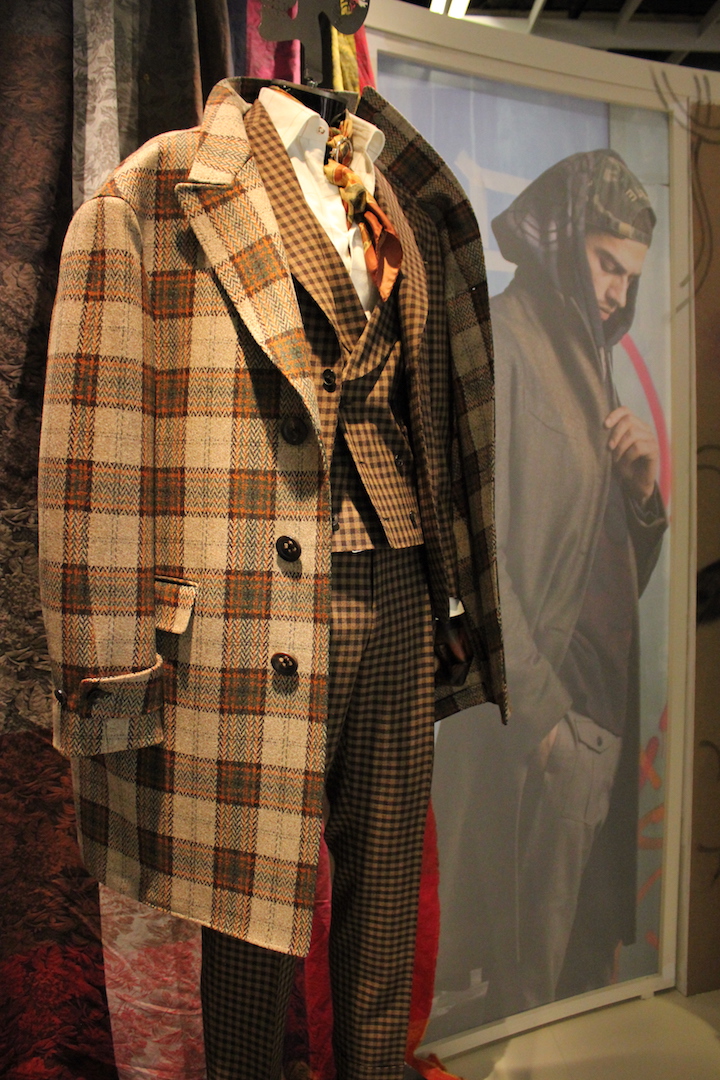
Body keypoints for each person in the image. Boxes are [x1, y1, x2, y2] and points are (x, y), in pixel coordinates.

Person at [37, 77, 507, 1080]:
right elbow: (92, 452)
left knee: (387, 891)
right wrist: (106, 672)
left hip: (402, 584)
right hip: (245, 617)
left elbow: (437, 406)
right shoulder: (151, 194)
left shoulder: (396, 191)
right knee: (251, 920)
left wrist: (461, 592)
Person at [433, 149, 667, 1022]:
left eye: (629, 276)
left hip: (595, 716)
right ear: (564, 241)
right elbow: (472, 546)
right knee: (517, 1013)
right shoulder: (507, 339)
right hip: (543, 722)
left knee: (570, 994)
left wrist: (641, 497)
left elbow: (594, 564)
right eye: (606, 263)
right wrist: (543, 724)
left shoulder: (586, 353)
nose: (615, 291)